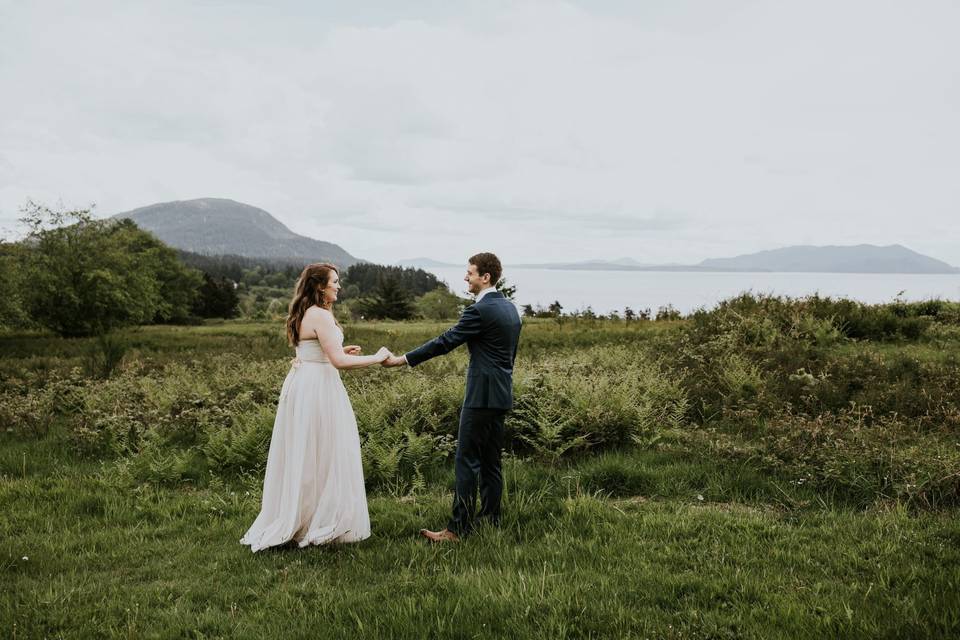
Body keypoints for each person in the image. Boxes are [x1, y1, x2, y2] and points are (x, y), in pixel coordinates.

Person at [240, 263, 391, 552]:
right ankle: (314, 521)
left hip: (304, 383)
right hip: (319, 387)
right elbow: (339, 363)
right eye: (335, 281)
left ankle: (307, 517)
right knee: (324, 450)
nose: (339, 286)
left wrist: (339, 350)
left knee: (309, 451)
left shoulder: (304, 313)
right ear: (320, 286)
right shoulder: (320, 315)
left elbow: (318, 352)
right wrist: (377, 357)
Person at [382, 252, 522, 542]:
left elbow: (445, 341)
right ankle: (491, 520)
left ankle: (457, 529)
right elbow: (510, 356)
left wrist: (403, 360)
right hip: (502, 393)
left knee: (467, 461)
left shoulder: (479, 311)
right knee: (492, 462)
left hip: (480, 396)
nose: (465, 278)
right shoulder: (510, 309)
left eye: (469, 273)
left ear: (485, 277)